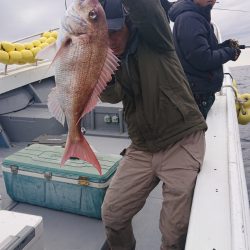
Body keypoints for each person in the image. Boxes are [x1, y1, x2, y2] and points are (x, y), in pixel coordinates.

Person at [100, 0, 207, 249]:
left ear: (129, 23)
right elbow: (112, 95)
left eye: (115, 31)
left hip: (181, 140)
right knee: (112, 215)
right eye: (104, 35)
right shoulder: (111, 57)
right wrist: (100, 73)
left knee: (174, 234)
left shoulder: (156, 36)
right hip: (142, 147)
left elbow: (145, 7)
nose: (110, 40)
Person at [168, 0, 241, 119]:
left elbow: (203, 51)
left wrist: (225, 46)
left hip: (198, 92)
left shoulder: (194, 17)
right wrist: (230, 53)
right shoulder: (190, 19)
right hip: (198, 95)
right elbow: (202, 59)